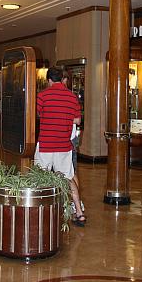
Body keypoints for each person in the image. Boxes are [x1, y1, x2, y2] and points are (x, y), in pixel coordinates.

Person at [35, 66, 86, 226]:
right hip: (64, 146)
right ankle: (79, 212)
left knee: (39, 178)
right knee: (69, 178)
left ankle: (40, 212)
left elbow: (38, 114)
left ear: (49, 80)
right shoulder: (72, 97)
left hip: (45, 144)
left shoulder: (42, 96)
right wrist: (65, 118)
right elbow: (78, 120)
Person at [61, 70, 84, 215]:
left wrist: (61, 117)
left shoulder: (70, 97)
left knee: (72, 171)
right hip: (66, 138)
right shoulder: (70, 96)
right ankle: (74, 203)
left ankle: (76, 203)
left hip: (69, 138)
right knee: (70, 171)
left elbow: (77, 120)